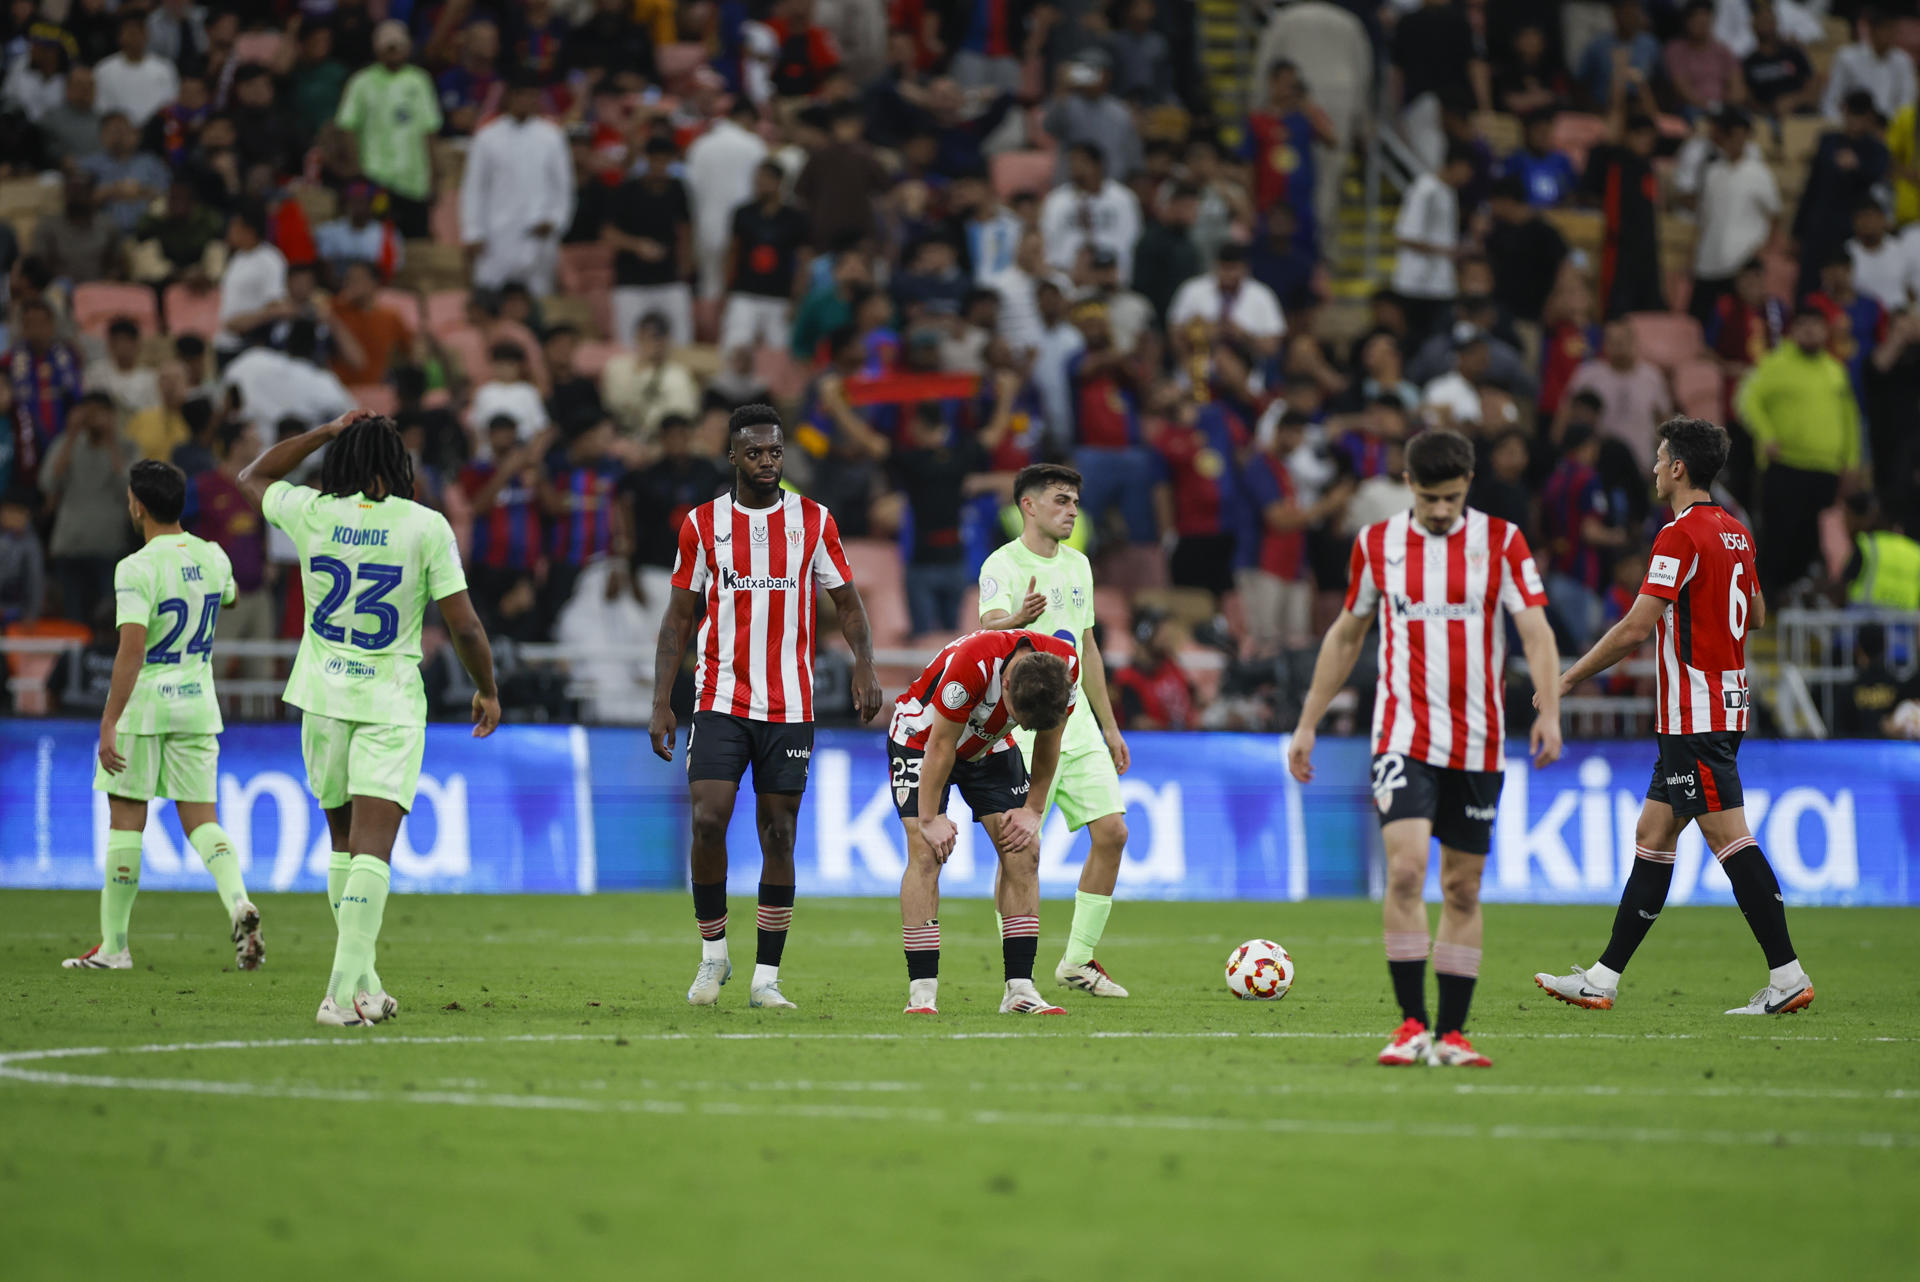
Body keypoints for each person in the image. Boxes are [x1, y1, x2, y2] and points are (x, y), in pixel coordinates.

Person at [1288, 429, 1563, 1069]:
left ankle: (1454, 1034)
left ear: (1468, 486)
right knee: (1407, 870)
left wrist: (1549, 710)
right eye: (1430, 497)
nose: (1441, 510)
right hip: (1402, 735)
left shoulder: (1502, 542)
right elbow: (1345, 635)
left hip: (1480, 742)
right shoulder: (1377, 544)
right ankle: (1411, 1025)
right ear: (1408, 484)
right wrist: (1308, 723)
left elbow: (1536, 632)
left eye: (1453, 497)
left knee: (1463, 888)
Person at [1536, 416, 1814, 1018]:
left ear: (1679, 467)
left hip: (1695, 714)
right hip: (1719, 707)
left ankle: (1788, 974)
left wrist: (1566, 678)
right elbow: (1758, 614)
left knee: (1728, 837)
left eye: (1660, 458)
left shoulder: (1680, 534)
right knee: (1653, 836)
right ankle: (1603, 978)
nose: (1655, 468)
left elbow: (1637, 627)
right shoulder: (1736, 532)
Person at [239, 410, 500, 1027]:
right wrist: (486, 687)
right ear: (398, 468)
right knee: (374, 851)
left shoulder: (313, 512)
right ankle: (337, 995)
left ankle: (366, 989)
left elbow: (253, 475)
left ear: (342, 464)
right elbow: (462, 623)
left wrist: (325, 432)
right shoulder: (424, 525)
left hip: (321, 698)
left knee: (342, 844)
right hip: (386, 701)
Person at [648, 404, 884, 1010]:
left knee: (779, 833)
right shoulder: (702, 525)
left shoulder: (813, 519)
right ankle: (713, 957)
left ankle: (766, 978)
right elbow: (678, 619)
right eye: (754, 453)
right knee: (708, 820)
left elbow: (849, 604)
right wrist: (661, 702)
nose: (767, 462)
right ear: (732, 457)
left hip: (791, 703)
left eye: (775, 452)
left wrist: (864, 663)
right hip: (720, 697)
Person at [66, 458, 260, 971]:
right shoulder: (214, 556)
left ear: (138, 505)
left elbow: (132, 648)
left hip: (146, 708)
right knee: (202, 820)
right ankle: (237, 901)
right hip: (198, 705)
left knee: (127, 822)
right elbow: (231, 598)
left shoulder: (135, 568)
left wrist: (109, 721)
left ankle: (114, 948)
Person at [971, 463, 1135, 994]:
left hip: (1078, 720)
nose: (1071, 511)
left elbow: (1087, 648)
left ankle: (1078, 961)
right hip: (1021, 725)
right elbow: (986, 629)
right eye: (1061, 500)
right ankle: (1017, 978)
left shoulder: (1080, 566)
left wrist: (1110, 727)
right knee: (1020, 850)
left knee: (1113, 832)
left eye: (1075, 503)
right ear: (1029, 505)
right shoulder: (1003, 563)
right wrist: (1016, 619)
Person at [888, 624, 1077, 1017]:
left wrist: (1033, 810)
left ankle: (1020, 991)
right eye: (1019, 717)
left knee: (1024, 849)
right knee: (926, 852)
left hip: (989, 747)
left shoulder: (1066, 669)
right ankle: (922, 993)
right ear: (1006, 684)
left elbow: (1048, 740)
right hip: (923, 738)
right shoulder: (973, 663)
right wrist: (930, 818)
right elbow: (941, 745)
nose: (1023, 726)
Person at [1737, 307, 1859, 596]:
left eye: (1816, 326)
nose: (1810, 332)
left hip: (1825, 469)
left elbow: (1849, 418)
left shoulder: (1835, 370)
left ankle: (1797, 594)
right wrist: (1765, 434)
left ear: (1825, 331)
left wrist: (1852, 461)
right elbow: (1746, 400)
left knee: (1811, 539)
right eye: (1803, 325)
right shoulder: (1773, 364)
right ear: (1793, 331)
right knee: (1779, 536)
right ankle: (1766, 599)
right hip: (1785, 465)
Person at [459, 74, 573, 298]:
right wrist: (473, 231)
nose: (528, 101)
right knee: (490, 295)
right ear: (510, 97)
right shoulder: (487, 137)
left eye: (533, 96)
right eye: (523, 95)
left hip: (537, 231)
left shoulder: (551, 137)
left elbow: (563, 187)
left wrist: (555, 220)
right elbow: (474, 188)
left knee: (537, 298)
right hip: (496, 233)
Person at [333, 21, 443, 237]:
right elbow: (347, 127)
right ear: (377, 49)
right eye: (388, 47)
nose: (393, 52)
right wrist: (357, 174)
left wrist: (434, 176)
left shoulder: (420, 81)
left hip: (414, 181)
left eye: (397, 46)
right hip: (375, 178)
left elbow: (429, 130)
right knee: (376, 241)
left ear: (408, 47)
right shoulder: (361, 82)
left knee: (415, 243)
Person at [605, 136, 695, 348]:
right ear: (646, 160)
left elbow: (685, 229)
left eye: (665, 161)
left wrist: (686, 263)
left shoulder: (678, 189)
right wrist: (638, 246)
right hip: (631, 280)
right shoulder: (627, 190)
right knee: (628, 344)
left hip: (669, 278)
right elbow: (608, 234)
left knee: (682, 341)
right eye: (655, 160)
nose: (659, 166)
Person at [722, 160, 812, 360]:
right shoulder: (743, 213)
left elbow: (803, 261)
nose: (759, 184)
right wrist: (727, 289)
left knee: (779, 351)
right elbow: (733, 253)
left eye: (764, 179)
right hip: (745, 291)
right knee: (735, 345)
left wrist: (797, 299)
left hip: (779, 296)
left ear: (779, 182)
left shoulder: (796, 218)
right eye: (757, 180)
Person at [1392, 144, 1473, 340]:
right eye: (1468, 171)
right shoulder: (1424, 189)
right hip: (1417, 284)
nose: (1468, 177)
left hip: (1440, 284)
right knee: (1416, 340)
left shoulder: (1449, 192)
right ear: (1457, 165)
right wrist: (1449, 251)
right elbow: (1406, 236)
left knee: (1440, 340)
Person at [1039, 141, 1143, 284]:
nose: (1075, 167)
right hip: (1066, 279)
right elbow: (1048, 242)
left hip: (1112, 277)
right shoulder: (1056, 200)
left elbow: (1132, 240)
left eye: (1081, 161)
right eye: (1072, 162)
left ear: (1098, 165)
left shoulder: (1123, 198)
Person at [1823, 5, 1915, 123]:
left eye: (1894, 29)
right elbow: (1831, 103)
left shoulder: (1903, 61)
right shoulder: (1847, 58)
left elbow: (1907, 102)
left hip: (1891, 130)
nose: (1891, 34)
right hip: (1853, 128)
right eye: (1886, 29)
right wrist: (1844, 128)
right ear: (1872, 30)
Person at [1111, 608, 1195, 730]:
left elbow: (1194, 699)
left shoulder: (1171, 666)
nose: (1168, 639)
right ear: (1145, 634)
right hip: (1152, 743)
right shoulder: (1127, 679)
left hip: (1185, 739)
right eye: (1163, 633)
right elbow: (1139, 723)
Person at [93, 11, 179, 131]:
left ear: (147, 35)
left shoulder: (164, 67)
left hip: (156, 132)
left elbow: (170, 103)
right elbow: (101, 107)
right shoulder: (104, 69)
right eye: (130, 33)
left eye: (140, 32)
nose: (135, 37)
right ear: (120, 37)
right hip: (118, 132)